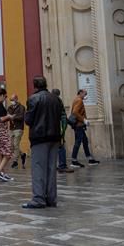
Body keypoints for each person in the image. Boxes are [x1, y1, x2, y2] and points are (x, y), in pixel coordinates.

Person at [22, 77, 62, 208]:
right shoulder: (56, 99)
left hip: (39, 137)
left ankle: (38, 198)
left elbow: (28, 120)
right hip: (55, 136)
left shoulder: (33, 99)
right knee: (51, 169)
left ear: (35, 86)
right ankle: (51, 198)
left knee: (38, 167)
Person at [70, 89, 100, 168]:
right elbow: (75, 112)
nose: (85, 96)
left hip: (79, 125)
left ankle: (90, 159)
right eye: (84, 94)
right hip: (79, 125)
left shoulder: (77, 99)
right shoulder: (79, 100)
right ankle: (74, 160)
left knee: (85, 141)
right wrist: (84, 120)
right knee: (78, 142)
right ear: (80, 93)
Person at [53, 90, 74, 174]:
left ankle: (52, 166)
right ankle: (62, 165)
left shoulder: (47, 101)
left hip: (48, 129)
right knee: (61, 147)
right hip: (57, 128)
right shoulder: (58, 101)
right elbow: (63, 116)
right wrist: (63, 128)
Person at [7, 94, 26, 169]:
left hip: (18, 128)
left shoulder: (21, 107)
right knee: (11, 145)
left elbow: (21, 117)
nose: (12, 101)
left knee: (15, 144)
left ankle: (15, 162)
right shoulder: (9, 107)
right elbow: (8, 115)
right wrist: (10, 116)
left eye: (13, 100)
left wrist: (13, 117)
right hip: (11, 128)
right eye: (11, 100)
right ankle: (22, 154)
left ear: (16, 99)